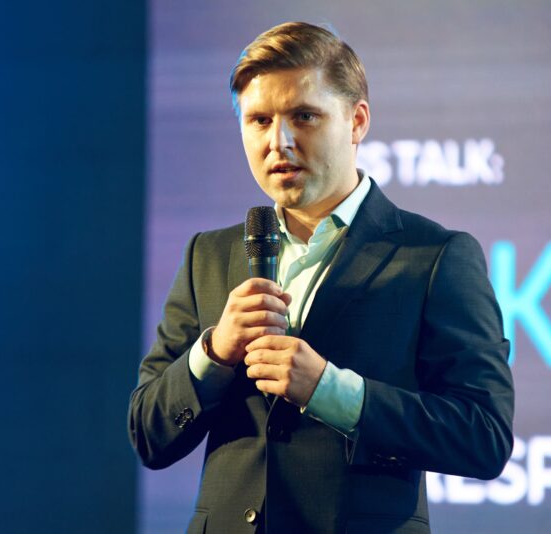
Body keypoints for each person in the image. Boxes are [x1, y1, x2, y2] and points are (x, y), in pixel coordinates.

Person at [128, 21, 514, 534]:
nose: (279, 142)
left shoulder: (434, 256)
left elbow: (483, 437)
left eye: (304, 116)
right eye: (259, 120)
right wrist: (214, 353)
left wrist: (331, 391)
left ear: (357, 122)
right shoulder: (210, 255)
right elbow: (148, 436)